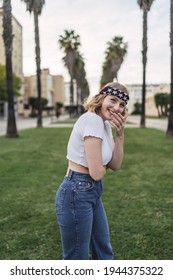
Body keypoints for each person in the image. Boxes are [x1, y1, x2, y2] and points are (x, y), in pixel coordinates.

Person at [55, 82, 130, 260]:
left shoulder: (103, 124)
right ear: (101, 97)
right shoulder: (92, 120)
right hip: (76, 192)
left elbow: (115, 165)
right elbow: (97, 172)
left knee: (103, 251)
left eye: (122, 105)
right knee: (78, 259)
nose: (117, 108)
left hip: (91, 192)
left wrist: (120, 135)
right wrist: (101, 167)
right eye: (113, 100)